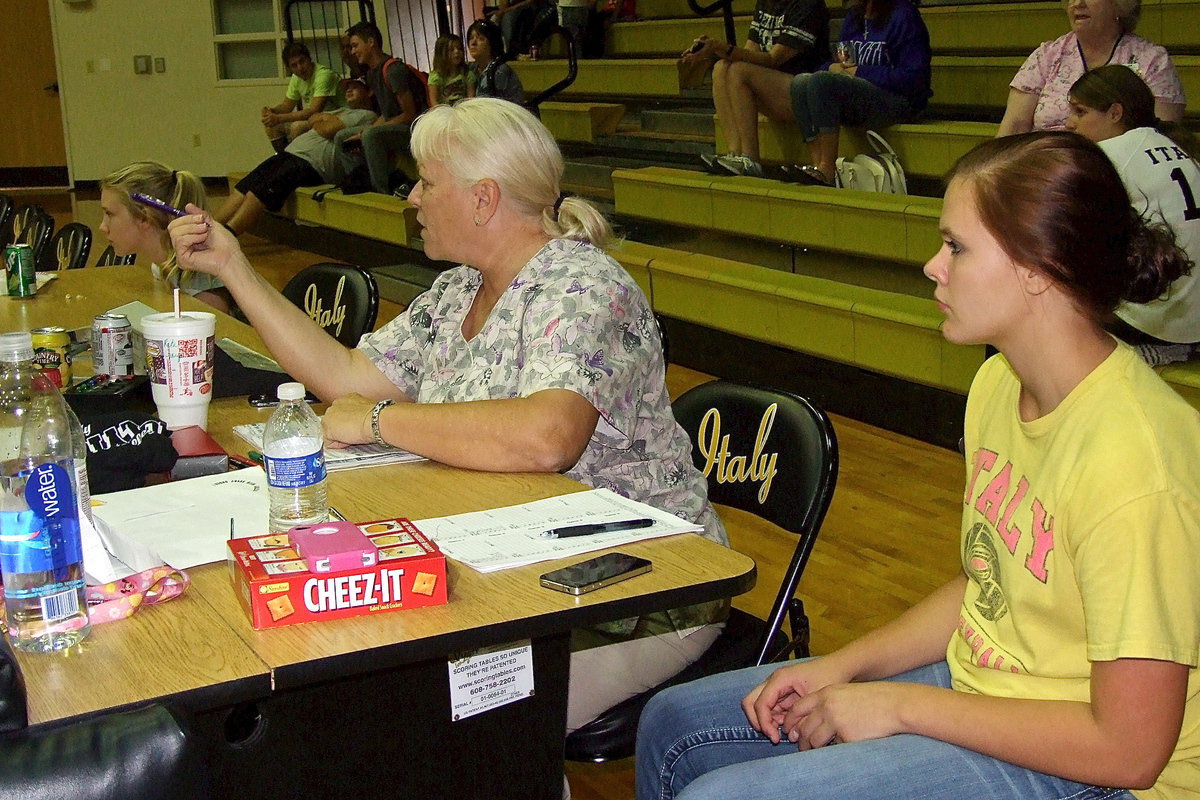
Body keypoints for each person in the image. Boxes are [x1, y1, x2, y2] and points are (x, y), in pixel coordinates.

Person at [635, 131, 1200, 800]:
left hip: (1105, 773)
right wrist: (844, 667)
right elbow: (991, 583)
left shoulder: (1138, 462)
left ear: (1037, 268)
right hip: (991, 689)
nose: (934, 266)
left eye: (957, 247)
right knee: (672, 723)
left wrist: (898, 706)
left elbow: (1128, 749)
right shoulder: (998, 386)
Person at [168, 98, 730, 735]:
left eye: (427, 183)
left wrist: (380, 420)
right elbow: (345, 379)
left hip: (639, 590)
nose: (411, 197)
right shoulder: (462, 287)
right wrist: (234, 268)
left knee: (451, 720)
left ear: (483, 199)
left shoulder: (583, 286)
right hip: (516, 566)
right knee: (373, 677)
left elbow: (545, 438)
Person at [1066, 64, 1200, 367]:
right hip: (1192, 313)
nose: (1069, 122)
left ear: (1115, 113)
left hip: (1159, 318)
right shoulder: (1177, 145)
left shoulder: (1111, 153)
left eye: (1080, 112)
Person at [715, 0, 931, 184]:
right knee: (802, 82)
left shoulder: (904, 16)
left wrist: (861, 72)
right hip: (860, 91)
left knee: (821, 82)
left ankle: (827, 169)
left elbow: (914, 78)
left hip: (899, 99)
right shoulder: (855, 17)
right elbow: (841, 60)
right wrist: (832, 67)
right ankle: (815, 164)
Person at [679, 0, 830, 174]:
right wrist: (711, 52)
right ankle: (735, 153)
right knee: (722, 68)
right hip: (774, 89)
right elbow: (750, 51)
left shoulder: (808, 5)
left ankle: (750, 160)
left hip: (806, 94)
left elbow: (773, 59)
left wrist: (721, 47)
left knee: (738, 71)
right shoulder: (766, 3)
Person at [996, 0, 1184, 137]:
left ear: (1119, 5)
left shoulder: (1152, 61)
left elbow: (1161, 139)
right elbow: (1013, 126)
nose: (1077, 3)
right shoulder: (1046, 55)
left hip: (1119, 174)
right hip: (1046, 169)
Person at [215, 78, 378, 235]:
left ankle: (227, 235)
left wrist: (322, 119)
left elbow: (325, 129)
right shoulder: (342, 111)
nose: (349, 90)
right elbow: (313, 118)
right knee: (245, 186)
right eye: (347, 87)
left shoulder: (367, 115)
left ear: (369, 92)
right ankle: (210, 228)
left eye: (355, 87)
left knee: (258, 193)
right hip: (291, 154)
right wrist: (322, 119)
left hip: (311, 164)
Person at [100, 161, 233, 314]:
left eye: (109, 214)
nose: (102, 226)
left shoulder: (201, 281)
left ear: (143, 217)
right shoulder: (160, 266)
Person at [334, 21, 429, 195]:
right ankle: (360, 181)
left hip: (415, 129)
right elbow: (386, 115)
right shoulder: (371, 73)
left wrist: (367, 132)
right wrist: (363, 132)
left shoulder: (393, 70)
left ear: (371, 42)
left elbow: (409, 114)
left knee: (370, 135)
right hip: (396, 125)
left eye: (355, 46)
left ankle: (381, 193)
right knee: (343, 137)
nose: (352, 51)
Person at [261, 42, 341, 152]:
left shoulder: (323, 75)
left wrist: (278, 117)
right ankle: (283, 160)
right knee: (272, 126)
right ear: (290, 68)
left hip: (335, 117)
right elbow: (286, 106)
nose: (300, 68)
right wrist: (271, 111)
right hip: (316, 119)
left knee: (297, 127)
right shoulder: (296, 78)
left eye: (302, 61)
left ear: (309, 59)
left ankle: (298, 162)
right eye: (294, 65)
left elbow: (314, 110)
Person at [469, 20, 524, 104]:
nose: (473, 43)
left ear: (492, 43)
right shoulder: (471, 69)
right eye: (471, 38)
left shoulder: (499, 71)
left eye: (481, 39)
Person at [428, 34, 475, 106]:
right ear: (441, 53)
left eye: (459, 48)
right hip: (443, 113)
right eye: (451, 49)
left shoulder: (467, 74)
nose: (456, 51)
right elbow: (434, 102)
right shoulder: (436, 77)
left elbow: (471, 99)